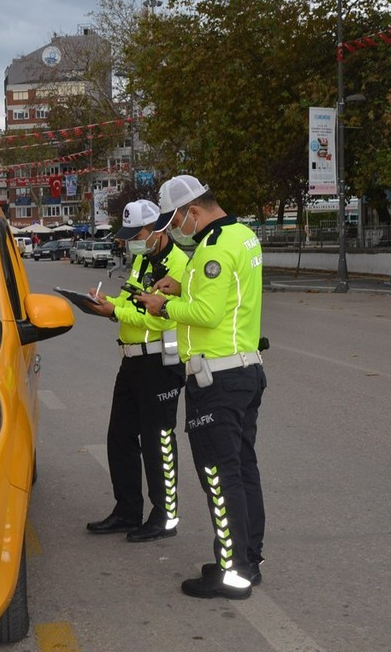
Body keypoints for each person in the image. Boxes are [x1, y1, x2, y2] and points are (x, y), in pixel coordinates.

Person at [134, 174, 267, 600]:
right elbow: (226, 296)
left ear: (192, 212)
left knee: (218, 474)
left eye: (173, 221)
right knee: (243, 469)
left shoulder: (212, 247)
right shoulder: (243, 235)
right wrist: (182, 284)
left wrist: (163, 303)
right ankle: (247, 559)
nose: (172, 230)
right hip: (245, 369)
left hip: (217, 378)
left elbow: (207, 312)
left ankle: (232, 574)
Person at [83, 200, 190, 542]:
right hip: (131, 360)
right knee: (120, 437)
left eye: (138, 234)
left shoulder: (180, 265)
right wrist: (108, 304)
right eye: (129, 236)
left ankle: (164, 516)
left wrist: (114, 314)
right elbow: (132, 302)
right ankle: (127, 511)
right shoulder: (144, 258)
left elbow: (161, 316)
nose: (133, 242)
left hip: (160, 362)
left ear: (158, 230)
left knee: (158, 442)